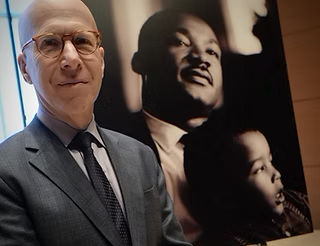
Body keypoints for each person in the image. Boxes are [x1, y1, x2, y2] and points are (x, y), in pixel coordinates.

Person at [0, 1, 191, 246]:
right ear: (25, 67)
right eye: (49, 43)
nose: (71, 59)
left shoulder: (140, 155)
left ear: (100, 61)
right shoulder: (7, 172)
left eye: (82, 41)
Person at [131, 9, 223, 242]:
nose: (201, 59)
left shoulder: (241, 144)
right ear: (140, 61)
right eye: (181, 42)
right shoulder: (108, 146)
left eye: (212, 51)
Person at [184, 121, 313, 245]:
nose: (276, 174)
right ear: (229, 193)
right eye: (260, 168)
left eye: (270, 160)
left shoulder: (297, 202)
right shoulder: (232, 241)